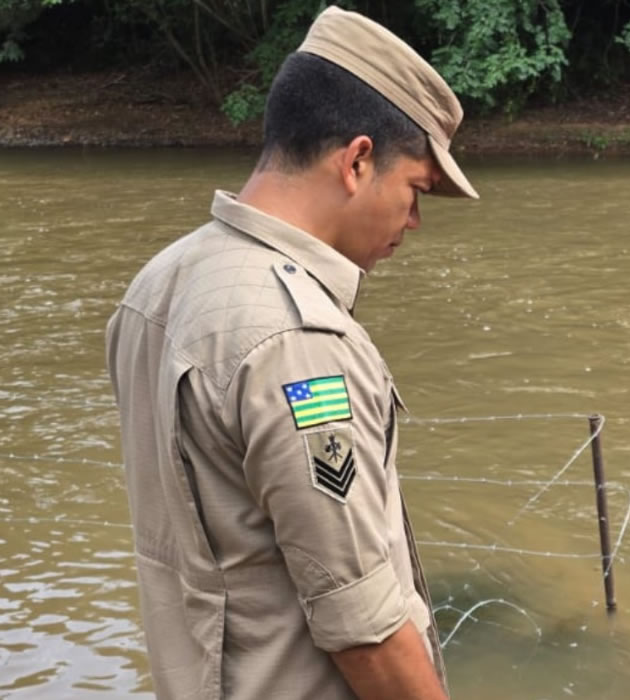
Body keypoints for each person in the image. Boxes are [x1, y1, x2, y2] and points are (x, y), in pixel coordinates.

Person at [105, 7, 477, 699]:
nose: (415, 221)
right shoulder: (298, 340)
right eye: (416, 191)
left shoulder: (158, 283)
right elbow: (363, 629)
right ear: (358, 161)